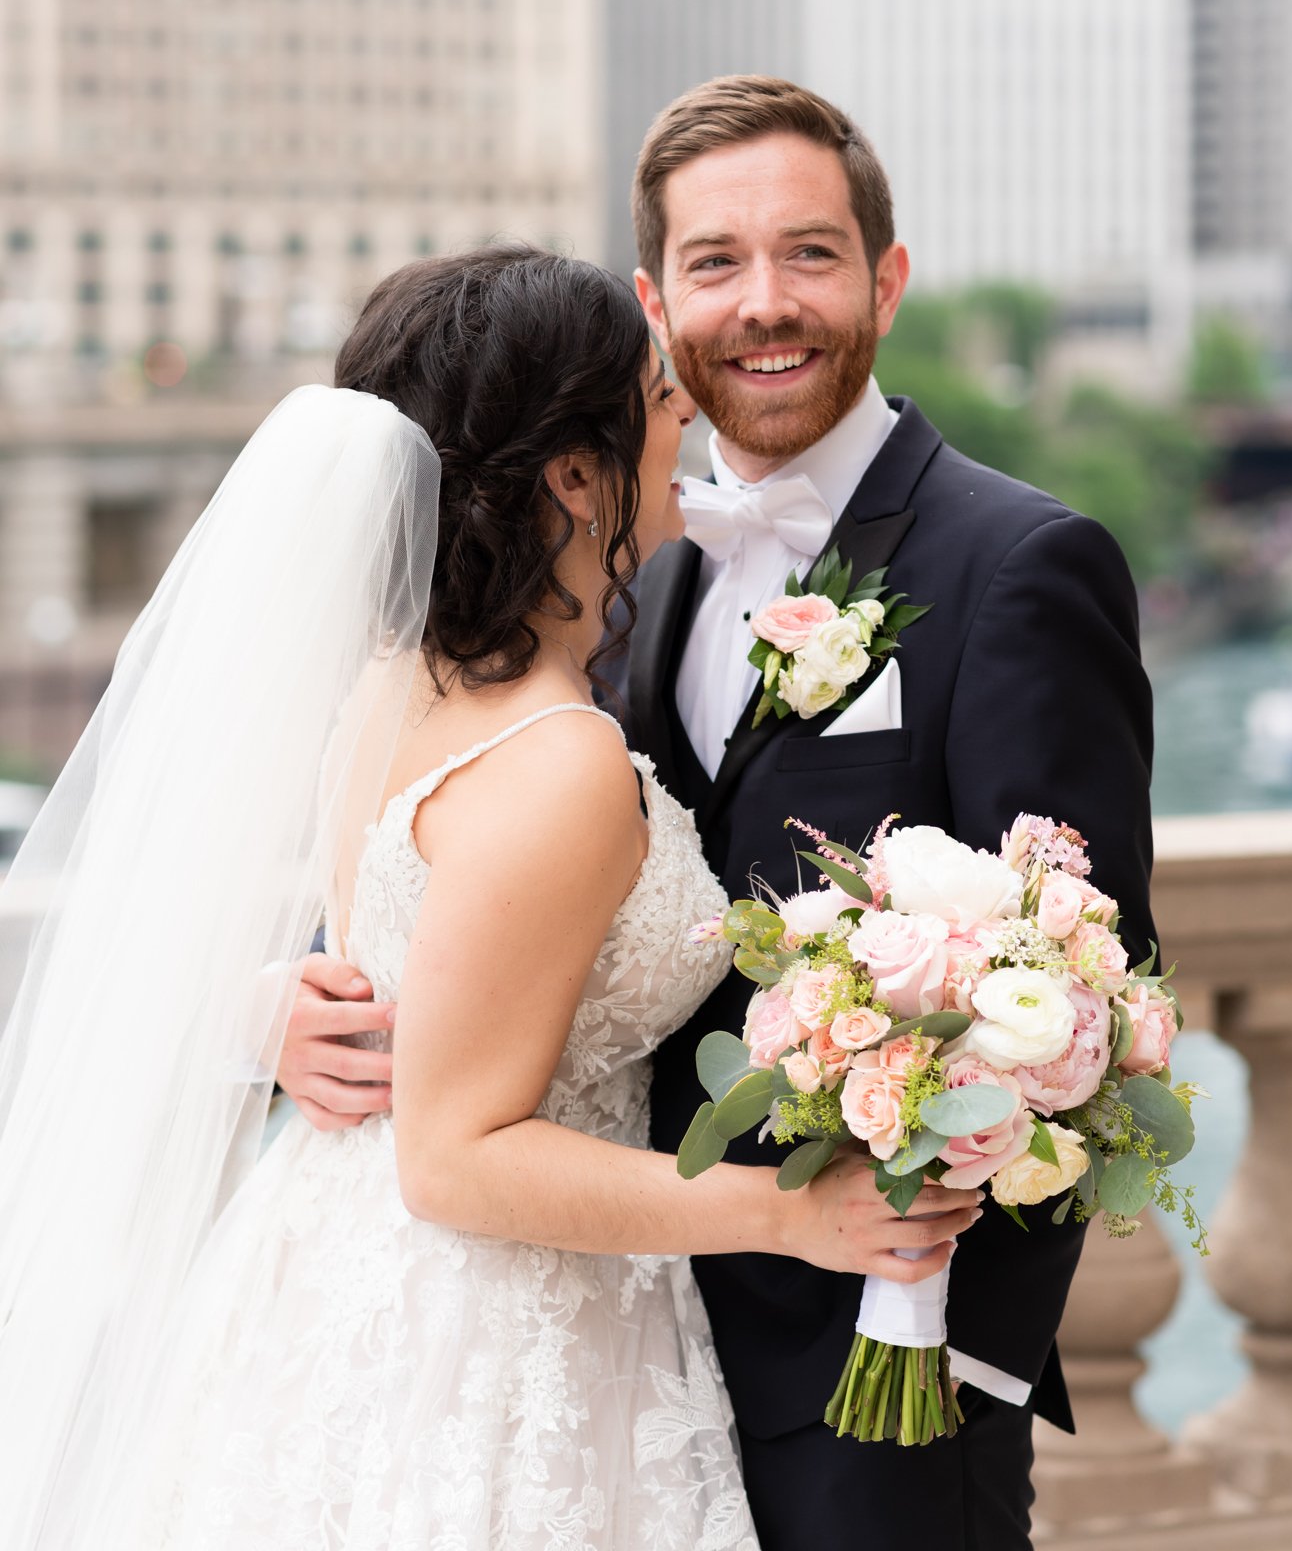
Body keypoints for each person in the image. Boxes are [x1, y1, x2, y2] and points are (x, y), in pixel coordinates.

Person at [0, 242, 978, 1551]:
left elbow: (413, 977)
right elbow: (455, 1157)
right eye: (652, 394)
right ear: (575, 476)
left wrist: (267, 1006)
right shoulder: (558, 761)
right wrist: (793, 1215)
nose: (680, 404)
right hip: (495, 1328)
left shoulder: (382, 685)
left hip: (318, 1274)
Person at [287, 81, 1157, 1550]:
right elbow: (450, 894)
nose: (767, 304)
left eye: (812, 254)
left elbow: (1084, 988)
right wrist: (283, 1009)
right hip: (595, 1332)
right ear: (654, 303)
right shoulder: (619, 582)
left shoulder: (1023, 565)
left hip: (874, 1367)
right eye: (716, 263)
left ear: (885, 278)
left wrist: (944, 1357)